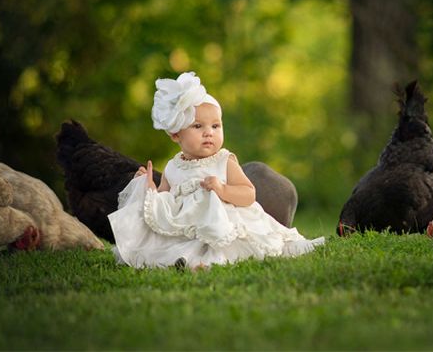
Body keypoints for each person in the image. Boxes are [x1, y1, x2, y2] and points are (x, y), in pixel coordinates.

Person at [108, 72, 324, 270]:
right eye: (198, 126)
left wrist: (222, 189)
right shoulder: (173, 167)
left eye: (215, 126)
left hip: (224, 224)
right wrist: (151, 189)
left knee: (222, 243)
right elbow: (166, 201)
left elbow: (249, 194)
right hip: (190, 228)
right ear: (175, 134)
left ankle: (209, 262)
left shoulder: (223, 161)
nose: (208, 133)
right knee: (180, 245)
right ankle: (190, 262)